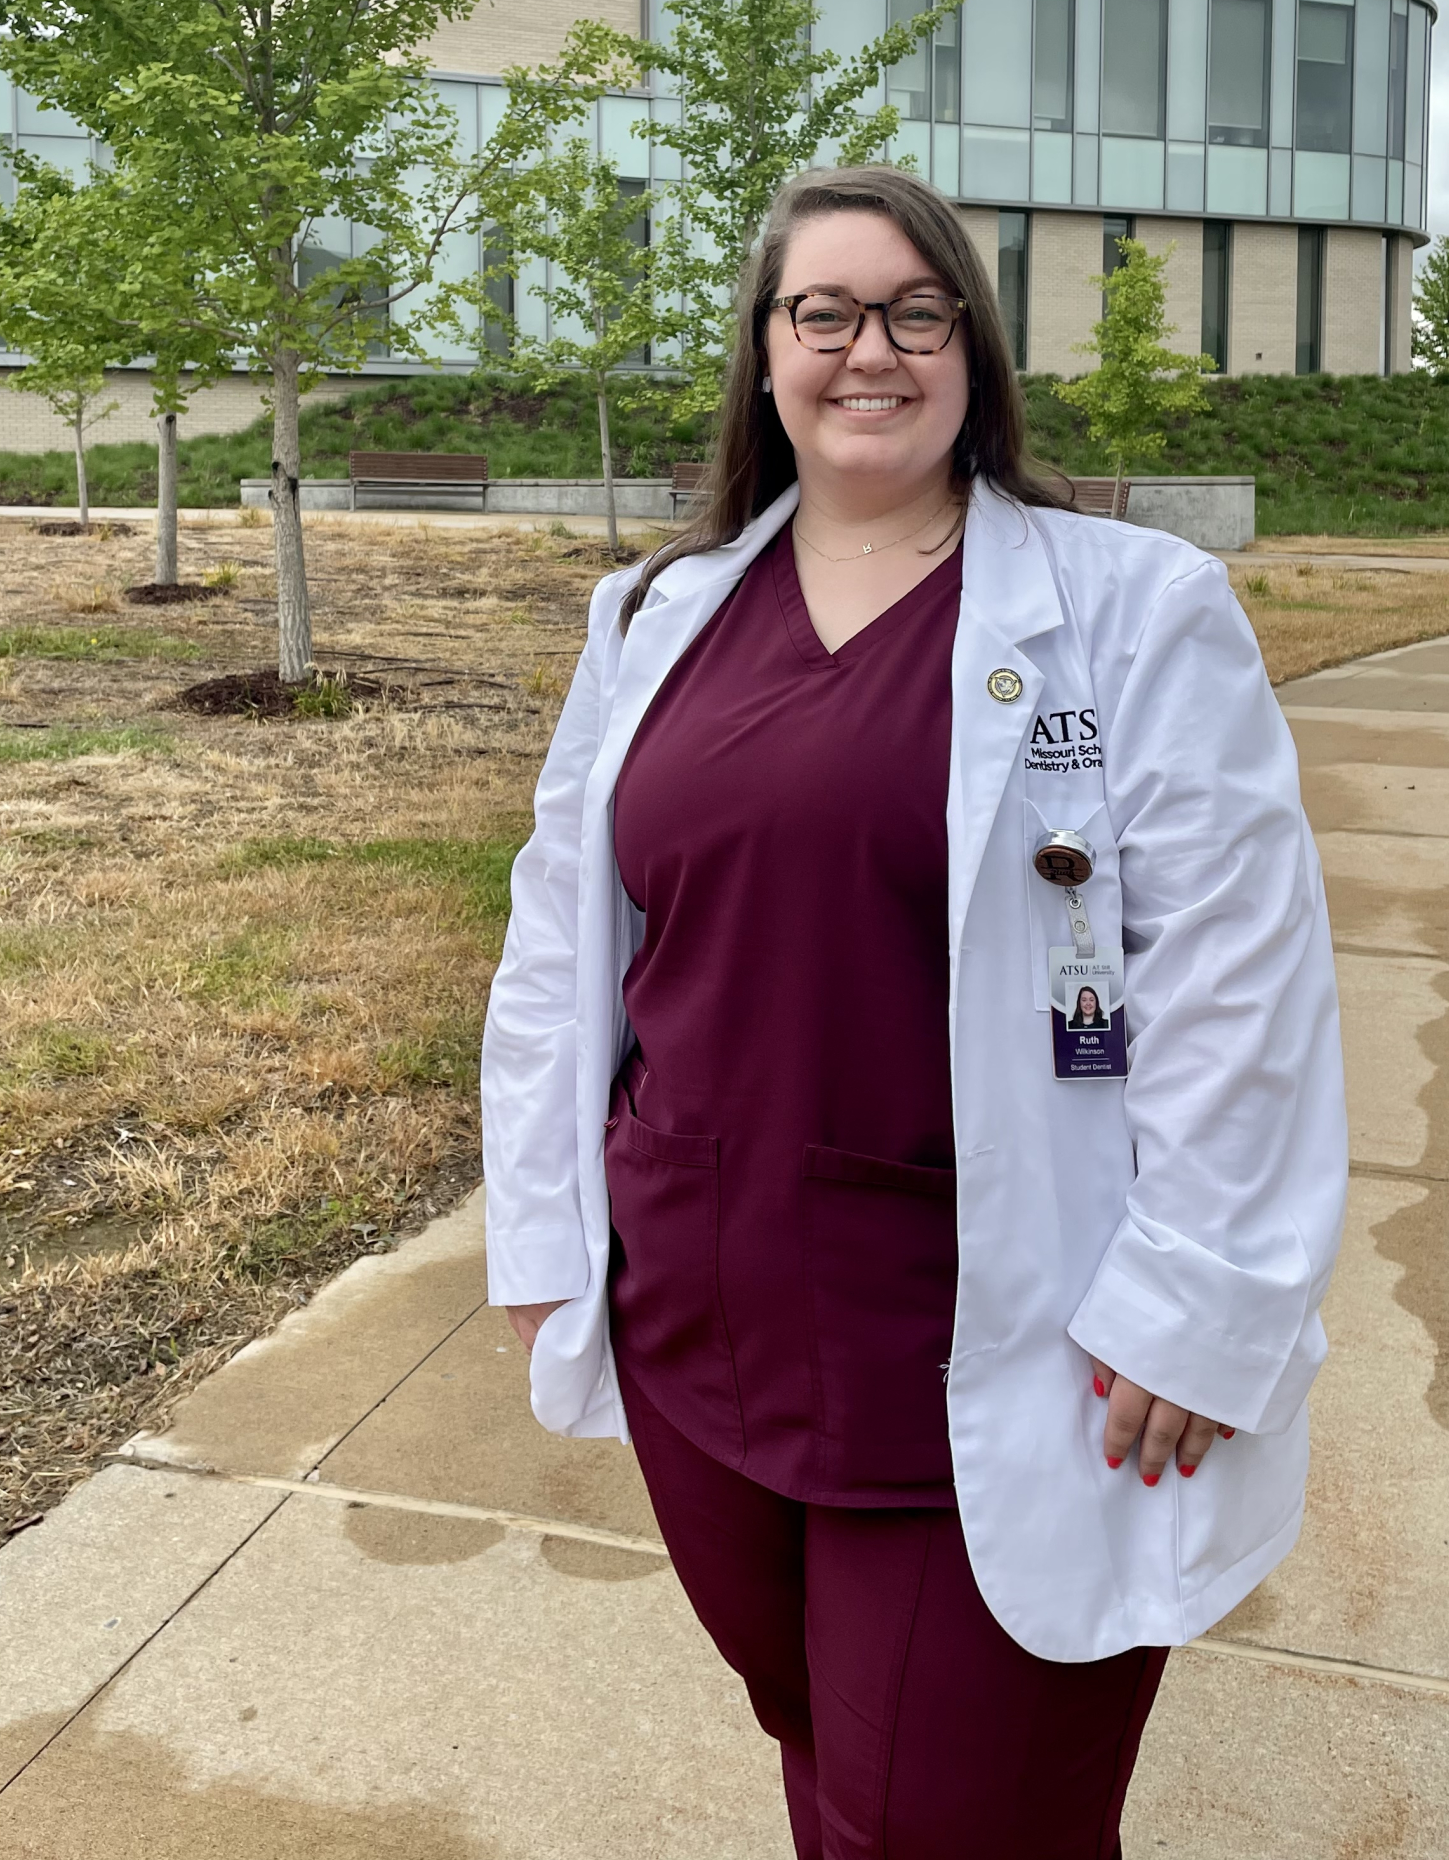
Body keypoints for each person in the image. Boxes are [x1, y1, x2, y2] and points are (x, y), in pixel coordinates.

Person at [482, 166, 1346, 1860]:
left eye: (913, 309)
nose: (867, 349)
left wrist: (1208, 1294)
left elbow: (1242, 975)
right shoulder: (660, 616)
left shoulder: (1131, 610)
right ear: (764, 351)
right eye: (824, 311)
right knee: (824, 1751)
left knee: (954, 1819)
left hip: (1005, 1321)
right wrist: (539, 1227)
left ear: (970, 344)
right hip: (700, 1318)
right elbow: (560, 938)